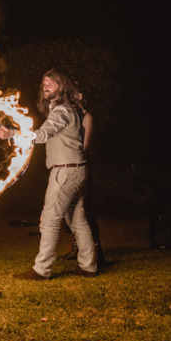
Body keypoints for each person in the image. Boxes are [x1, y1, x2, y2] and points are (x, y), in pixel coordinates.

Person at [0, 69, 99, 279]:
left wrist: (12, 134)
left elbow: (42, 135)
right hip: (77, 170)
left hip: (65, 172)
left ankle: (42, 270)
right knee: (77, 220)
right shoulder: (68, 109)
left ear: (62, 87)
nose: (46, 85)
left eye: (52, 82)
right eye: (44, 82)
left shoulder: (62, 111)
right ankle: (89, 266)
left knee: (49, 220)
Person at [61, 88, 105, 265]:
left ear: (81, 96)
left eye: (74, 94)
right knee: (68, 211)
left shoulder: (87, 117)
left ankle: (96, 251)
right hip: (67, 167)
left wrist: (72, 156)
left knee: (83, 210)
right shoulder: (70, 116)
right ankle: (77, 246)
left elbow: (84, 146)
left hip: (81, 166)